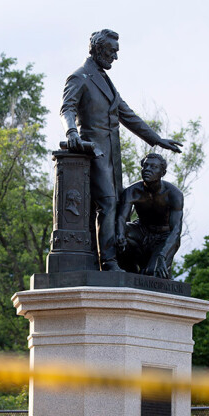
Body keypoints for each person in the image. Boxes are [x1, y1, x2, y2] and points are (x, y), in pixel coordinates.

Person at [60, 29, 182, 271]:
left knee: (113, 207)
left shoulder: (104, 80)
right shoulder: (80, 77)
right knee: (107, 204)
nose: (115, 57)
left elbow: (127, 115)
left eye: (116, 52)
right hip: (93, 153)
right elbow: (67, 109)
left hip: (112, 158)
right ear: (96, 49)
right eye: (111, 51)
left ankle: (112, 257)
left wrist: (156, 139)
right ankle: (108, 262)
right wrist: (72, 133)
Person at [116, 153, 183, 279]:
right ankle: (130, 272)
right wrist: (120, 235)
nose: (147, 169)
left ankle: (157, 265)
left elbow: (175, 231)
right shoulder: (132, 191)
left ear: (162, 172)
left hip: (164, 237)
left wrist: (163, 255)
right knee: (118, 232)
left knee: (152, 274)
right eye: (145, 166)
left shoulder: (174, 194)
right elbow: (121, 218)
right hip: (141, 232)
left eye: (153, 167)